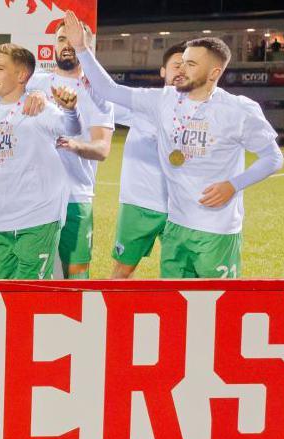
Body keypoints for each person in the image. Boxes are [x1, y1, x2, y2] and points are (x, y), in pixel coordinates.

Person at [61, 10, 284, 278]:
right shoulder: (164, 100)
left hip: (217, 228)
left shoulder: (238, 110)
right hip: (176, 225)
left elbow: (273, 158)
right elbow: (110, 91)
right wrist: (81, 49)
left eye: (191, 64)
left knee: (217, 304)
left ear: (214, 73)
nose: (181, 69)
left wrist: (233, 185)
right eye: (182, 62)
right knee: (175, 304)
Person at [26, 20, 114, 279]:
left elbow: (102, 148)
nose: (67, 45)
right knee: (33, 273)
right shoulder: (33, 83)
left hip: (76, 195)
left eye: (74, 40)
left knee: (75, 273)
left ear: (86, 45)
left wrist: (75, 145)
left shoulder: (99, 92)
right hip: (34, 195)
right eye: (62, 39)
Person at [0, 44, 81, 279]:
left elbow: (70, 128)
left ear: (22, 75)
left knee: (30, 294)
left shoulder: (39, 107)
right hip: (1, 217)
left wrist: (70, 111)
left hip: (38, 215)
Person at [99, 42, 186, 279]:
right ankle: (115, 314)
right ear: (163, 71)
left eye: (187, 66)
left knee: (179, 276)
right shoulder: (144, 103)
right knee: (122, 270)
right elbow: (103, 100)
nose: (181, 71)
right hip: (139, 203)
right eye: (176, 65)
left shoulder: (202, 111)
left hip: (182, 207)